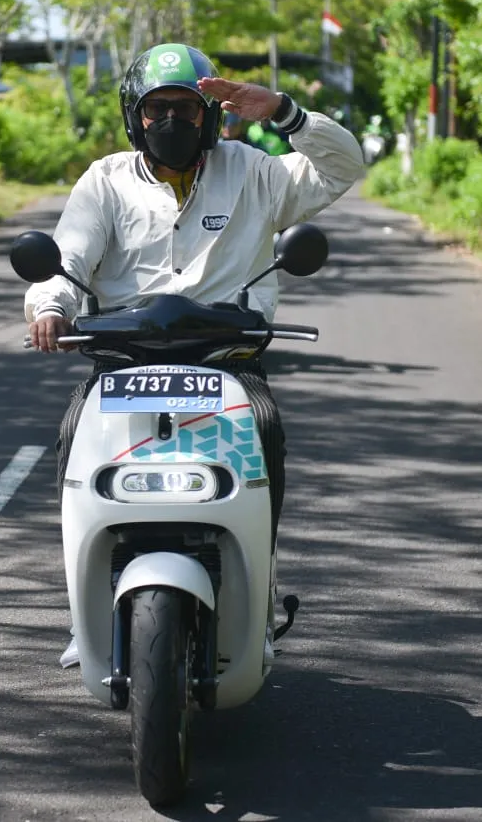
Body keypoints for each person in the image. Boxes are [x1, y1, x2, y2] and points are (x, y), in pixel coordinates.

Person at [24, 43, 363, 665]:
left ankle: (257, 595)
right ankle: (87, 611)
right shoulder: (105, 181)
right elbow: (66, 260)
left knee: (265, 431)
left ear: (209, 114)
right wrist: (50, 308)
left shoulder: (258, 171)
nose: (172, 121)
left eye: (186, 106)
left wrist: (284, 112)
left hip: (225, 361)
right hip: (126, 363)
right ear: (135, 116)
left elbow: (344, 166)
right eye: (158, 110)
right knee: (73, 435)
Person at [221, 110, 293, 157]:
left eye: (233, 122)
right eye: (224, 121)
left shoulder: (253, 150)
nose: (228, 126)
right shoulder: (215, 147)